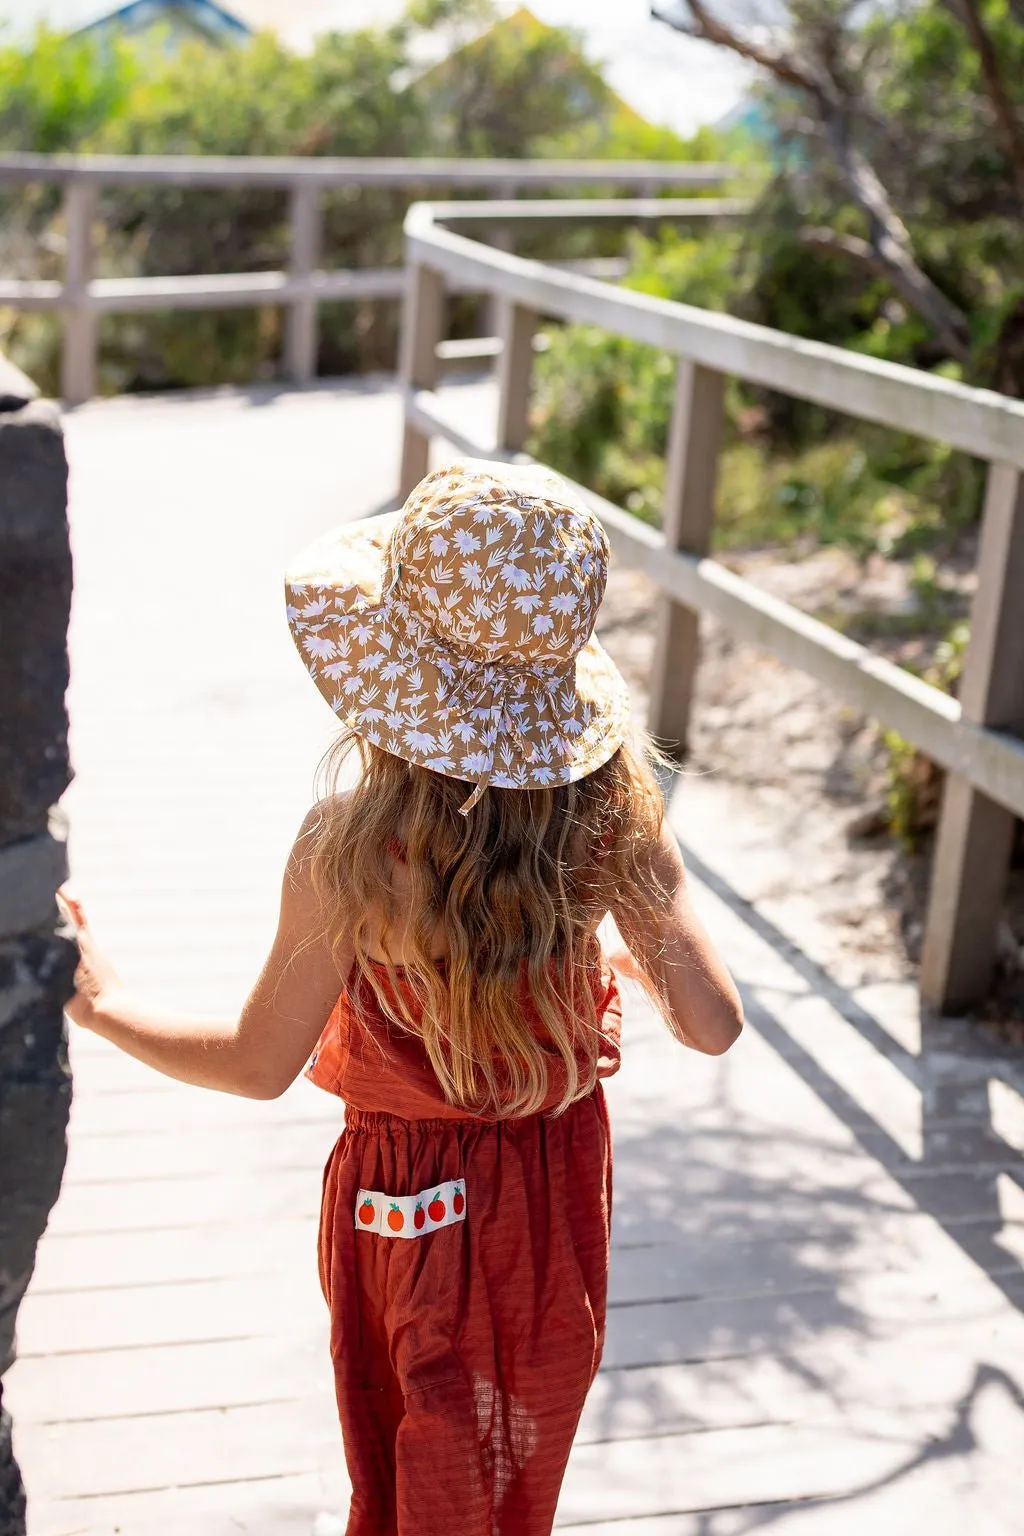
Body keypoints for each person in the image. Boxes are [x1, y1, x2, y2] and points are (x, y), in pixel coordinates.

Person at [61, 459, 743, 1536]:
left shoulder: (351, 859)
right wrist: (609, 933)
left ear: (395, 672)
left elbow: (254, 1063)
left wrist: (101, 1003)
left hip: (402, 1203)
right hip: (554, 1199)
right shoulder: (612, 821)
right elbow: (710, 1024)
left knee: (407, 1476)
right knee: (509, 1485)